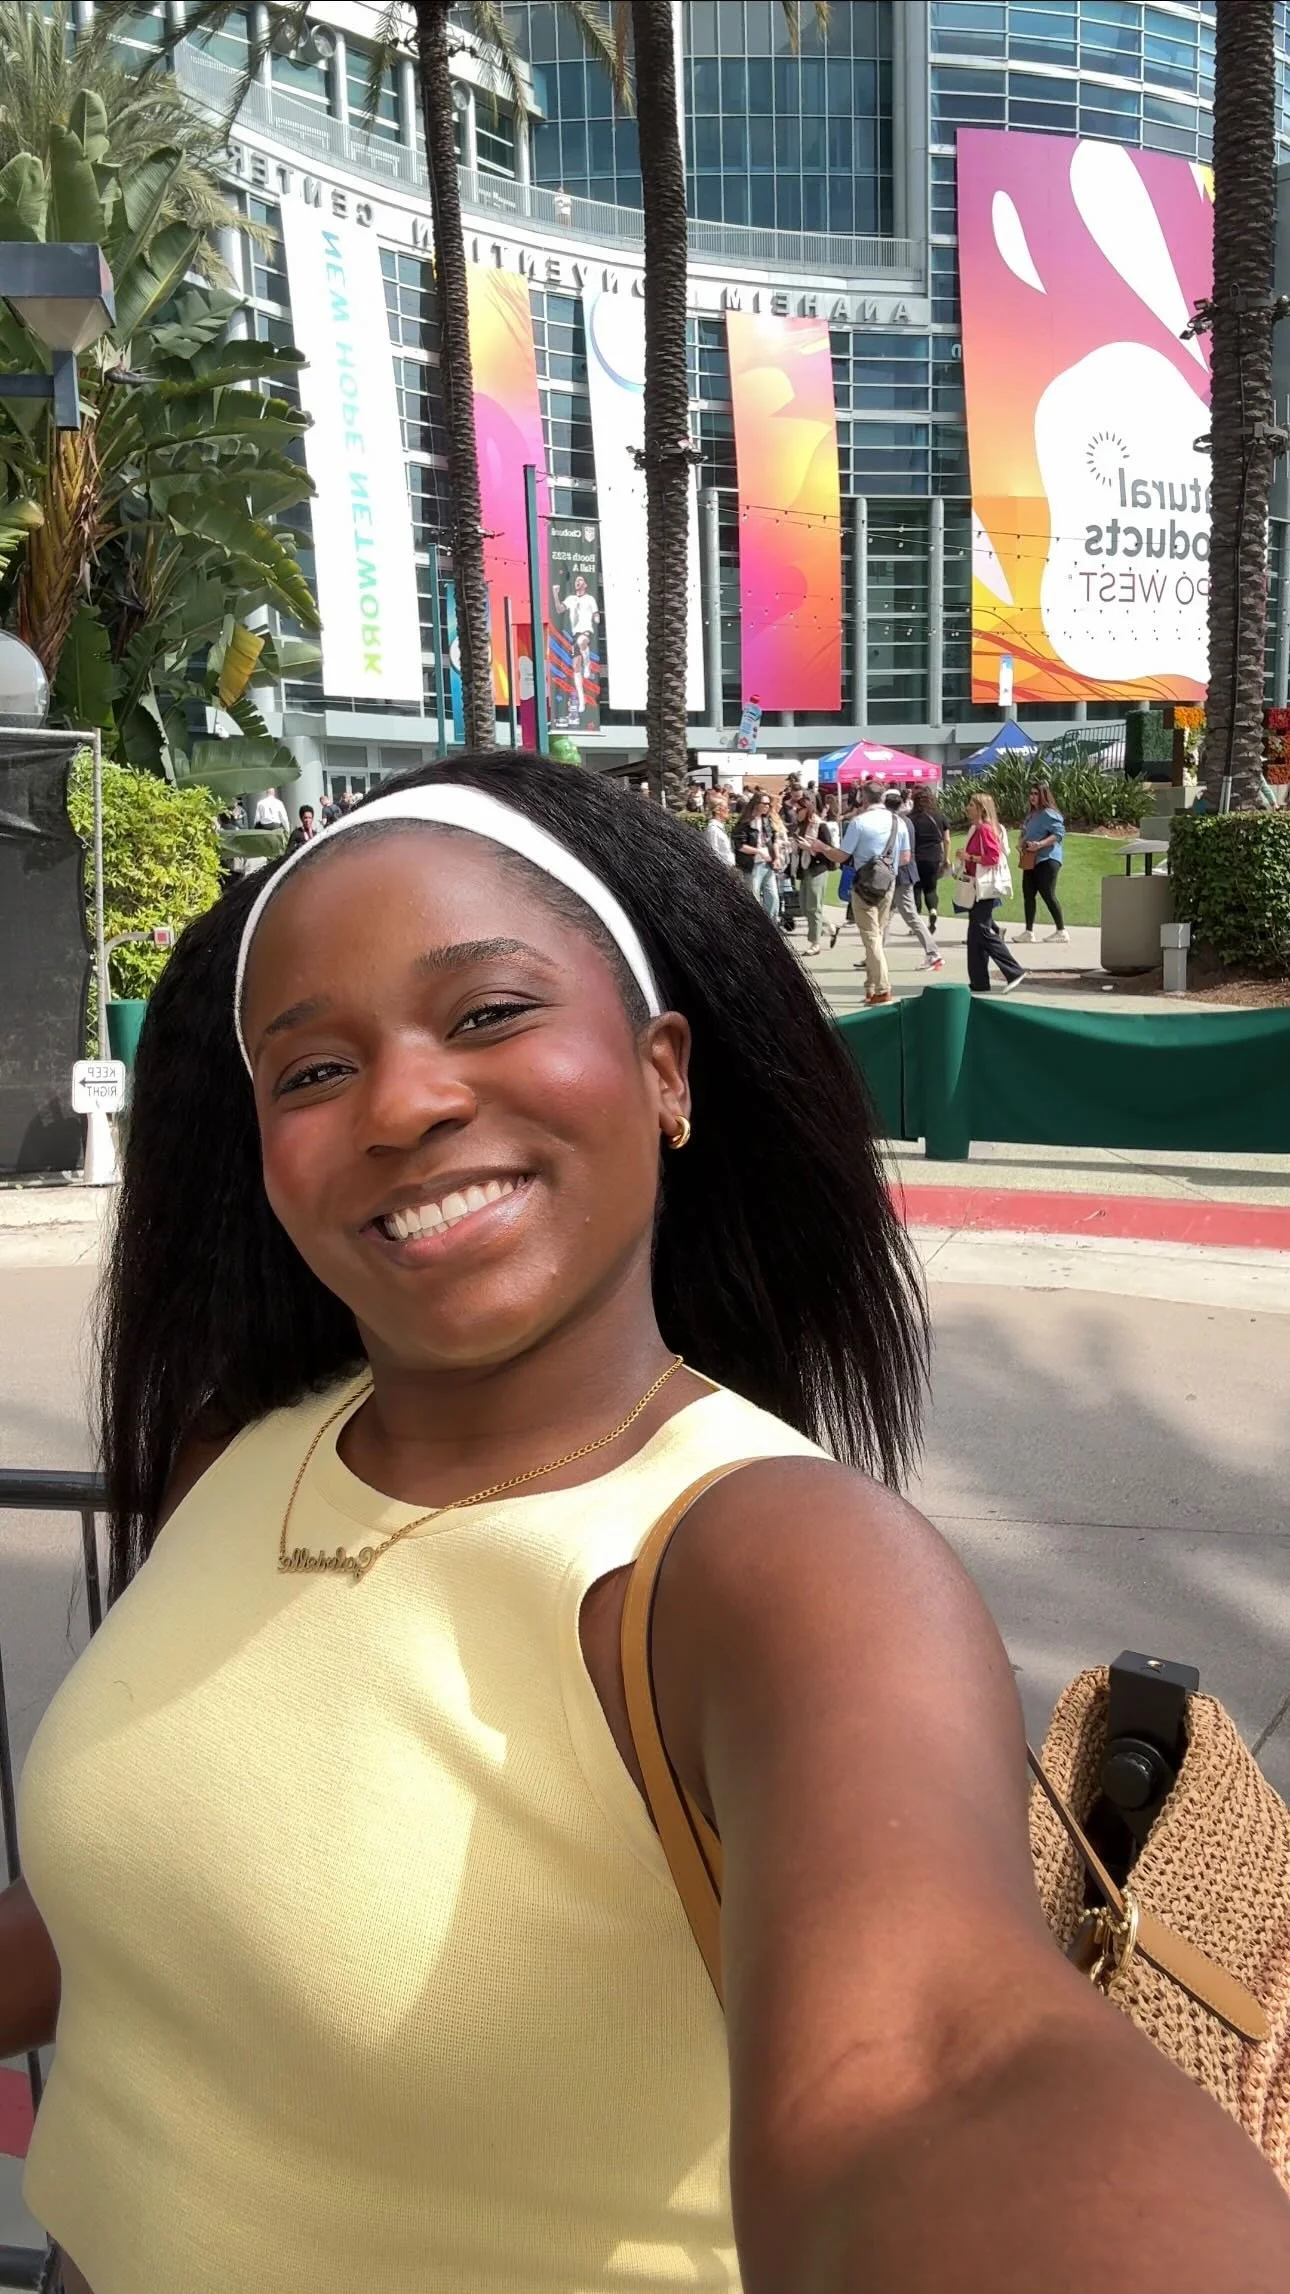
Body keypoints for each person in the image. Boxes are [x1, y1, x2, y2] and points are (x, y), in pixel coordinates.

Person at [7, 751, 1290, 2294]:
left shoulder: (775, 1562)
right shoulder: (238, 1457)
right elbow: (141, 1901)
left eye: (488, 1012)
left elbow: (941, 2066)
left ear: (663, 1071)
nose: (403, 1101)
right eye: (314, 1070)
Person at [839, 781, 901, 1005]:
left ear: (863, 798)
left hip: (864, 883)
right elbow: (905, 857)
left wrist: (820, 847)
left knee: (871, 936)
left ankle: (883, 988)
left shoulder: (859, 822)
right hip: (888, 881)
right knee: (877, 934)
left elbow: (842, 855)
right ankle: (871, 987)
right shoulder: (898, 821)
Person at [961, 791, 1024, 994]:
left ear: (981, 809)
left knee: (982, 931)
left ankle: (1014, 971)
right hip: (976, 886)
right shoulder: (977, 829)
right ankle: (979, 981)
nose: (968, 807)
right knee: (975, 936)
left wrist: (969, 857)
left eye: (971, 804)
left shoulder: (985, 829)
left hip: (983, 888)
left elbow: (993, 857)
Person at [883, 791, 944, 974]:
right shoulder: (905, 821)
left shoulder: (898, 823)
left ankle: (933, 953)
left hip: (900, 873)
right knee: (885, 914)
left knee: (909, 914)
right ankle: (875, 953)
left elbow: (900, 851)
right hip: (901, 871)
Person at [1017, 782, 1069, 943]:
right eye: (1031, 794)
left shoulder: (1049, 813)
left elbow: (1059, 834)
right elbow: (1025, 832)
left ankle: (1061, 931)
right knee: (1028, 894)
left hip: (1047, 859)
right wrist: (1022, 842)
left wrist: (1039, 844)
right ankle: (1028, 932)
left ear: (1043, 795)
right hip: (1031, 859)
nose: (1032, 797)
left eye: (1036, 794)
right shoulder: (1031, 815)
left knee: (1047, 893)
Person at [793, 789, 837, 955]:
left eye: (799, 809)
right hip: (804, 868)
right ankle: (830, 927)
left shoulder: (820, 826)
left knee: (813, 908)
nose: (796, 812)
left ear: (807, 809)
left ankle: (815, 943)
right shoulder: (800, 827)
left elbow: (829, 851)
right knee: (805, 908)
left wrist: (810, 848)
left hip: (817, 868)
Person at [734, 790, 782, 923]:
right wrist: (759, 851)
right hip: (752, 865)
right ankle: (755, 925)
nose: (767, 806)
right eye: (764, 803)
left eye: (769, 804)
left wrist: (777, 857)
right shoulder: (745, 823)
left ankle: (772, 925)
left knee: (773, 897)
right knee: (754, 898)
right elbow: (740, 846)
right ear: (756, 804)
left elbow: (774, 840)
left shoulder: (766, 821)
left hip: (767, 864)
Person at [910, 786, 951, 932]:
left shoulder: (910, 818)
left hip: (916, 858)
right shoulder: (940, 817)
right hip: (934, 857)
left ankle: (916, 922)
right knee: (931, 889)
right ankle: (933, 910)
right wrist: (946, 858)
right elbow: (947, 840)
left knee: (916, 888)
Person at [702, 784, 735, 868]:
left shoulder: (720, 828)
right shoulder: (713, 830)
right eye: (726, 808)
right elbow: (713, 854)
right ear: (718, 811)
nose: (728, 810)